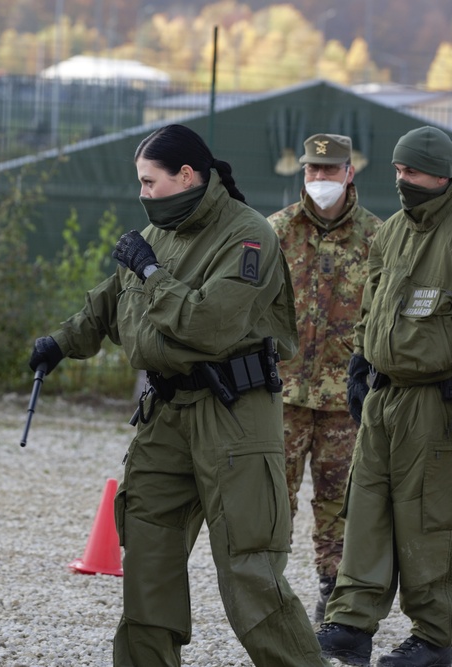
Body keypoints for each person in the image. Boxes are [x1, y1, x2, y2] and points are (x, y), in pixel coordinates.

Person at [29, 124, 327, 667]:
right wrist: (60, 343)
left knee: (248, 571)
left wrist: (151, 271)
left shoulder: (249, 236)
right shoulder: (158, 231)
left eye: (150, 182)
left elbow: (209, 325)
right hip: (167, 412)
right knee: (149, 559)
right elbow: (109, 299)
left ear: (187, 176)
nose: (142, 194)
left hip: (233, 414)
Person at [316, 126, 452, 667]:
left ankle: (432, 639)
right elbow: (372, 304)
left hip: (437, 403)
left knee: (428, 519)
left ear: (440, 173)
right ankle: (350, 625)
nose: (401, 180)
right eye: (397, 170)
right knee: (366, 510)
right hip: (384, 399)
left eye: (411, 171)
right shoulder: (392, 233)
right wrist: (362, 360)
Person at [266, 133, 383, 624]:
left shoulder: (378, 237)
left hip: (345, 399)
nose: (319, 180)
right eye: (313, 171)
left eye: (329, 171)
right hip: (283, 393)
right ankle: (265, 587)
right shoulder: (275, 231)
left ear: (349, 173)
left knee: (339, 501)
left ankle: (332, 596)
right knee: (273, 495)